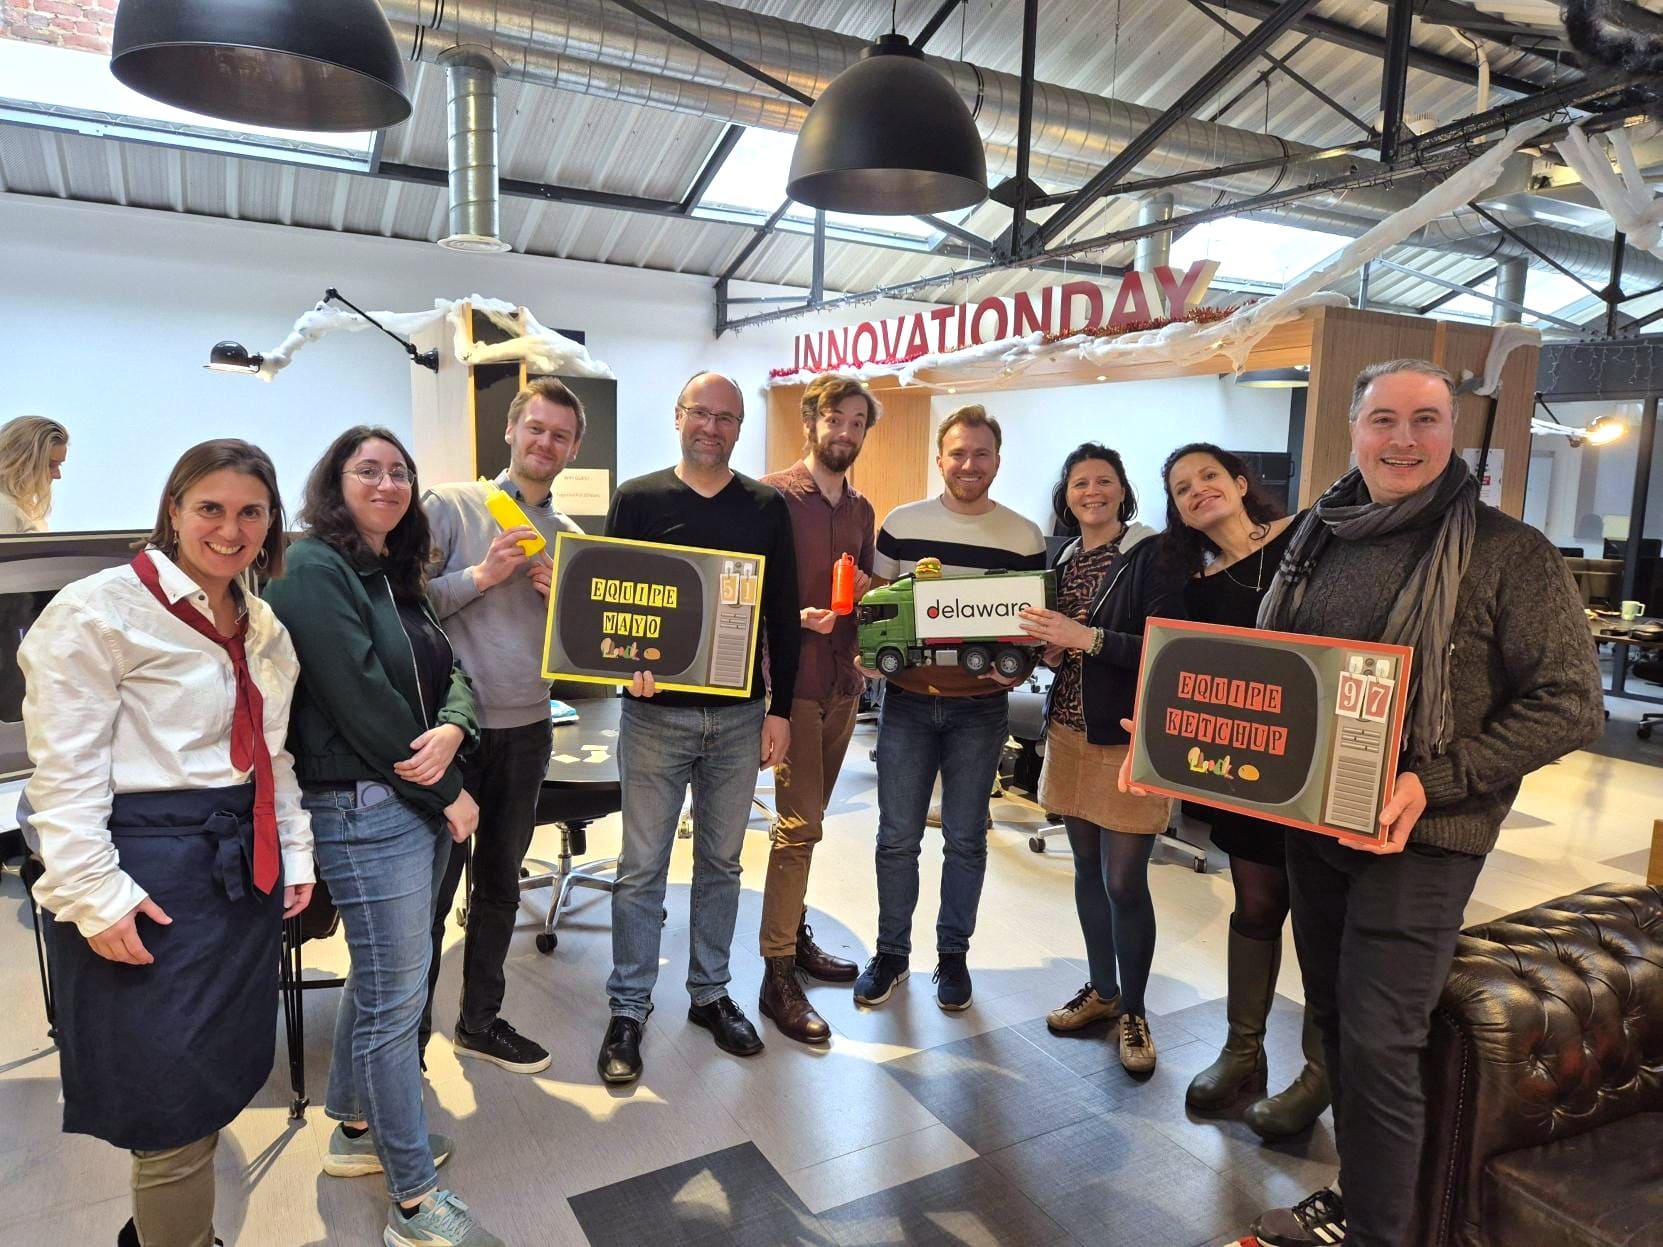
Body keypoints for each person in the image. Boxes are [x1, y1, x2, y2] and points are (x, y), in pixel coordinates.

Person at [1238, 360, 1605, 1247]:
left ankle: (1381, 1234)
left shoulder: (1506, 551)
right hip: (1317, 819)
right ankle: (1368, 1197)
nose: (1402, 438)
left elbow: (1570, 703)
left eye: (1425, 419)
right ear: (1353, 429)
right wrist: (1183, 733)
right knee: (1333, 1020)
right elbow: (1278, 675)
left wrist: (1432, 779)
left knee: (1378, 1039)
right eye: (1383, 419)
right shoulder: (1318, 535)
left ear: (1453, 433)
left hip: (1425, 834)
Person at [19, 439, 312, 1247]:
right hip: (145, 867)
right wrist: (95, 895)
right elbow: (65, 772)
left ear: (271, 522)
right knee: (167, 1088)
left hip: (237, 866)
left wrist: (292, 850)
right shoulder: (99, 609)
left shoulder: (261, 624)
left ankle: (164, 1226)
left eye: (251, 511)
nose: (231, 529)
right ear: (174, 509)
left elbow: (272, 756)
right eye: (210, 507)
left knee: (210, 1064)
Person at [264, 427, 497, 1247]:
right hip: (362, 809)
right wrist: (448, 787)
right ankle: (413, 1200)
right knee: (397, 1005)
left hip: (408, 801)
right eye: (368, 469)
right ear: (335, 480)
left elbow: (451, 667)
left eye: (400, 471)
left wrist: (456, 726)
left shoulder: (394, 569)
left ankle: (356, 1128)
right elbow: (357, 693)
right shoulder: (311, 567)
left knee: (381, 980)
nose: (387, 482)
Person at [597, 371, 800, 1084]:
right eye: (700, 413)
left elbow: (781, 614)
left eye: (726, 417)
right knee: (640, 868)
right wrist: (623, 667)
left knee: (721, 863)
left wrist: (781, 709)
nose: (711, 427)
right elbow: (613, 602)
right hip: (655, 717)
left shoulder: (765, 506)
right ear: (678, 416)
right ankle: (628, 1007)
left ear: (739, 427)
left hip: (740, 718)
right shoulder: (638, 499)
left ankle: (710, 994)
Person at [853, 404, 1046, 1013]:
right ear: (939, 459)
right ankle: (891, 954)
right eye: (957, 453)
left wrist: (1016, 662)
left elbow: (1031, 626)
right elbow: (876, 603)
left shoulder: (1023, 536)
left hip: (981, 710)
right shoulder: (902, 524)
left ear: (997, 461)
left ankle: (953, 956)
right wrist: (867, 651)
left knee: (966, 840)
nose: (968, 464)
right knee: (896, 839)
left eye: (980, 453)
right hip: (908, 704)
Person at [1161, 443, 1328, 1134]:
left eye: (1208, 476)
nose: (1197, 490)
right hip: (1252, 769)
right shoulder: (1199, 588)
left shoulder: (1309, 537)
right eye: (1181, 488)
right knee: (1255, 902)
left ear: (1238, 482)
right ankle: (1241, 1052)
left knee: (1320, 916)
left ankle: (1319, 1070)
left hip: (1321, 760)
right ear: (1178, 512)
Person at [420, 378, 587, 1074]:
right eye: (536, 428)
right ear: (511, 430)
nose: (545, 443)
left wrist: (565, 609)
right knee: (431, 893)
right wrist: (481, 577)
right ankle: (404, 1037)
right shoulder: (449, 505)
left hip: (527, 730)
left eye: (560, 435)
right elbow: (403, 606)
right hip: (450, 735)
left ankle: (479, 1022)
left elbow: (583, 652)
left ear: (572, 450)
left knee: (499, 886)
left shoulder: (573, 540)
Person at [1017, 443, 1183, 1074]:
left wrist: (1085, 638)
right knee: (1086, 868)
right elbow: (1059, 641)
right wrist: (1051, 651)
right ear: (1066, 496)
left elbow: (1168, 648)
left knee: (1123, 881)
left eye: (1104, 481)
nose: (1092, 492)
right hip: (1067, 729)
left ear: (1122, 490)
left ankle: (1135, 1011)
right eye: (1080, 483)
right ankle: (1103, 991)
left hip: (1126, 736)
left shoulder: (1151, 552)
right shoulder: (1061, 559)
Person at [756, 373, 877, 1044]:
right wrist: (793, 621)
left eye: (858, 422)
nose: (846, 431)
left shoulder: (860, 510)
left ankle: (794, 936)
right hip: (792, 686)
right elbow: (744, 591)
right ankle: (776, 973)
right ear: (811, 421)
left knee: (812, 823)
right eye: (835, 418)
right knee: (798, 828)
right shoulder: (771, 497)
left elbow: (864, 595)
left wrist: (871, 600)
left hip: (843, 686)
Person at [0, 414, 68, 533]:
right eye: (50, 465)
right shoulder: (4, 508)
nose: (58, 475)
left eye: (59, 465)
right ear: (20, 461)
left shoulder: (29, 511)